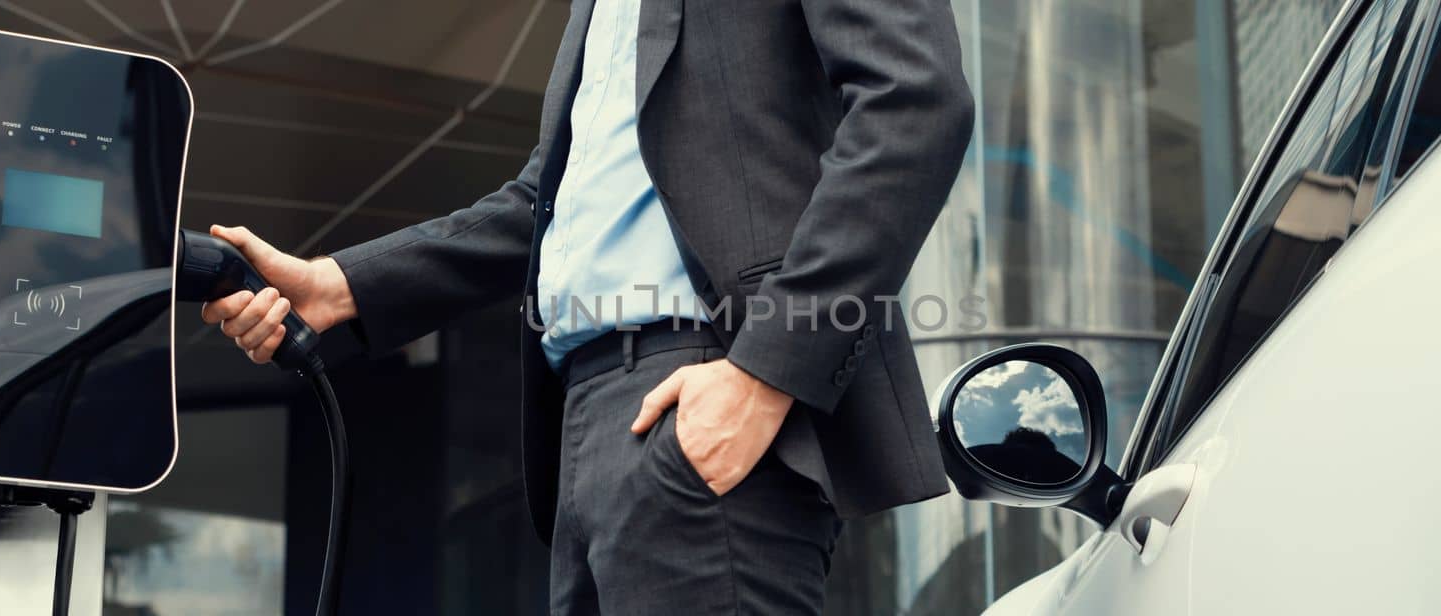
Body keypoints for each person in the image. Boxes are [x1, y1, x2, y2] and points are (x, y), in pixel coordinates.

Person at [199, 0, 973, 612]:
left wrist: (766, 373)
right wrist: (340, 285)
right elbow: (546, 202)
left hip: (706, 394)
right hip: (588, 429)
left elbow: (916, 101)